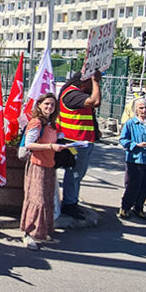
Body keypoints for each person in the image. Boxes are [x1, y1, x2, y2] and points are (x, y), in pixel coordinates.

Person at [20, 93, 66, 250]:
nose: (49, 107)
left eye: (52, 105)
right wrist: (50, 147)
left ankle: (42, 230)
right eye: (46, 104)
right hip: (37, 166)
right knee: (36, 200)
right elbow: (29, 145)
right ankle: (29, 233)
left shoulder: (52, 124)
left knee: (47, 199)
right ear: (39, 105)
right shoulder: (36, 123)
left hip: (49, 165)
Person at [56, 70, 101, 220]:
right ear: (84, 82)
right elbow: (95, 102)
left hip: (83, 141)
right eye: (91, 83)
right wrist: (96, 82)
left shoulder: (76, 93)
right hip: (75, 142)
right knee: (74, 174)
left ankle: (73, 201)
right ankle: (69, 204)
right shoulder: (71, 94)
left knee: (78, 174)